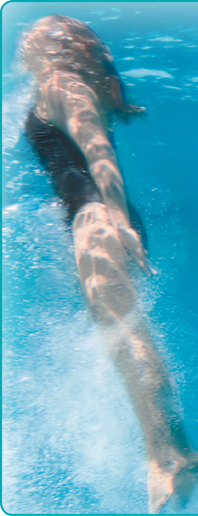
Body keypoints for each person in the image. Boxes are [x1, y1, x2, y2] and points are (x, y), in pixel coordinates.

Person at [22, 15, 198, 513]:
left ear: (56, 48)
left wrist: (115, 220)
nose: (24, 45)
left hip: (96, 216)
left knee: (125, 337)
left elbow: (99, 157)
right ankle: (176, 448)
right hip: (101, 216)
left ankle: (166, 457)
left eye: (33, 37)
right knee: (129, 336)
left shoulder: (63, 85)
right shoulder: (78, 88)